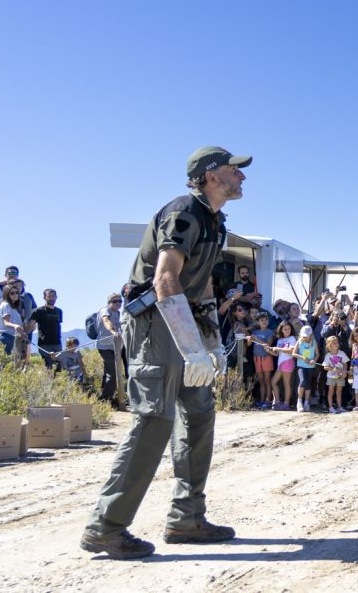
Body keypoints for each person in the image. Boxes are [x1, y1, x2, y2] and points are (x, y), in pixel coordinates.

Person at [82, 145, 250, 559]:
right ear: (212, 175)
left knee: (199, 414)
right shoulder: (184, 212)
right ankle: (106, 526)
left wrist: (210, 343)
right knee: (155, 420)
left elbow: (205, 282)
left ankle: (187, 518)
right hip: (157, 323)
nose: (242, 177)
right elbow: (165, 279)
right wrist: (191, 347)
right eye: (234, 171)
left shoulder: (215, 220)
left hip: (184, 321)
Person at [95, 293, 125, 408]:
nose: (118, 303)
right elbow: (106, 321)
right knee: (112, 372)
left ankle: (105, 397)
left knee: (110, 371)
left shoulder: (117, 313)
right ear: (109, 302)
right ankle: (106, 399)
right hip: (104, 346)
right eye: (115, 301)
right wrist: (113, 332)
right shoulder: (105, 311)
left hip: (115, 346)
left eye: (120, 301)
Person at [29, 289, 64, 369]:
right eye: (49, 296)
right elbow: (31, 326)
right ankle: (47, 381)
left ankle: (57, 381)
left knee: (58, 367)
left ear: (56, 297)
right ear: (44, 297)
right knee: (48, 366)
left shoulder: (59, 311)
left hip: (57, 343)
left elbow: (59, 325)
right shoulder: (38, 311)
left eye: (53, 296)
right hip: (44, 344)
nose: (52, 298)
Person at [247, 312, 275, 408]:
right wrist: (249, 339)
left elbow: (268, 344)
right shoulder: (254, 332)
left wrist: (257, 340)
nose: (264, 322)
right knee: (261, 381)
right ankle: (262, 400)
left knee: (267, 380)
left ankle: (268, 401)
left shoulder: (270, 332)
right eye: (261, 320)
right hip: (257, 358)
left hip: (266, 357)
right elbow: (249, 345)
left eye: (265, 320)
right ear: (258, 322)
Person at [0, 283, 30, 358]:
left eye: (17, 292)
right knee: (8, 363)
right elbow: (6, 322)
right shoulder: (6, 305)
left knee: (14, 362)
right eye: (12, 293)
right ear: (7, 294)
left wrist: (21, 332)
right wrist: (16, 326)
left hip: (12, 337)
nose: (15, 294)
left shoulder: (12, 307)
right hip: (6, 337)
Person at [270, 321, 297, 409]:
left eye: (288, 328)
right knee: (273, 382)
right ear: (281, 330)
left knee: (286, 383)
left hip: (288, 362)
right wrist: (267, 350)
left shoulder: (292, 338)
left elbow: (291, 351)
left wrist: (278, 348)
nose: (287, 330)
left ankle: (286, 404)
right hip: (280, 363)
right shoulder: (280, 340)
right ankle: (277, 402)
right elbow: (276, 354)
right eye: (285, 329)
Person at [322, 335, 348, 414]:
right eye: (334, 343)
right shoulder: (328, 355)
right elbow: (325, 367)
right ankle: (331, 407)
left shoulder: (342, 353)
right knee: (331, 392)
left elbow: (345, 364)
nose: (336, 344)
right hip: (331, 377)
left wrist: (344, 371)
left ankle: (339, 407)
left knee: (339, 392)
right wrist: (333, 369)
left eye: (337, 343)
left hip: (340, 376)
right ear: (329, 345)